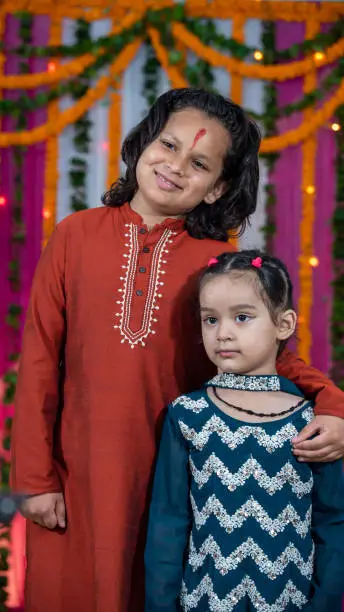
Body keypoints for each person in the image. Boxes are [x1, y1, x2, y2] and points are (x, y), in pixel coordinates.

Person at [11, 89, 344, 612]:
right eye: (167, 144)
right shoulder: (74, 236)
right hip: (74, 480)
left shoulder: (222, 265)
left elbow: (274, 357)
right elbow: (37, 361)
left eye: (199, 163)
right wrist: (34, 478)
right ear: (144, 142)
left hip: (176, 484)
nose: (174, 165)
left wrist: (333, 405)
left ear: (217, 189)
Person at [145, 250, 344, 611]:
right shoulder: (187, 415)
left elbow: (333, 522)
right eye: (210, 320)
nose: (223, 333)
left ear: (283, 325)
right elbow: (168, 524)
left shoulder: (314, 423)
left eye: (241, 317)